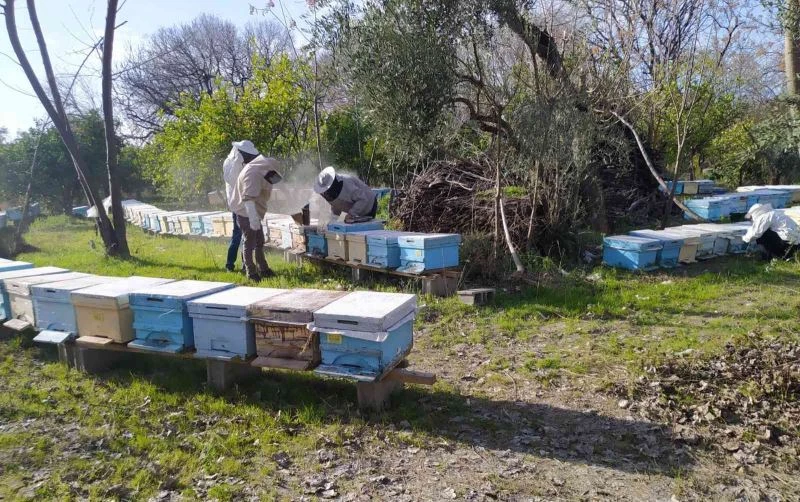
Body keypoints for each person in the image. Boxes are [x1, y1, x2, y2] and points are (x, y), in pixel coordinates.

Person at [230, 155, 283, 281]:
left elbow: (264, 189)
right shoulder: (252, 173)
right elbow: (248, 199)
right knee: (249, 242)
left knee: (259, 241)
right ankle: (251, 272)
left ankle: (263, 269)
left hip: (254, 213)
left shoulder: (260, 170)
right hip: (246, 213)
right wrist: (253, 219)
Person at [222, 140, 260, 272]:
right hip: (237, 205)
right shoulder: (229, 163)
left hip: (248, 203)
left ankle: (246, 265)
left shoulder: (246, 163)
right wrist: (238, 162)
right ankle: (230, 265)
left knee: (248, 236)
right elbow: (232, 180)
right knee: (238, 235)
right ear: (239, 153)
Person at [313, 166, 377, 223]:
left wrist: (351, 214)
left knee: (364, 229)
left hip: (369, 204)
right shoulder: (333, 191)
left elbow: (363, 199)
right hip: (358, 209)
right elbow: (337, 204)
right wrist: (333, 220)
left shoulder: (348, 185)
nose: (325, 193)